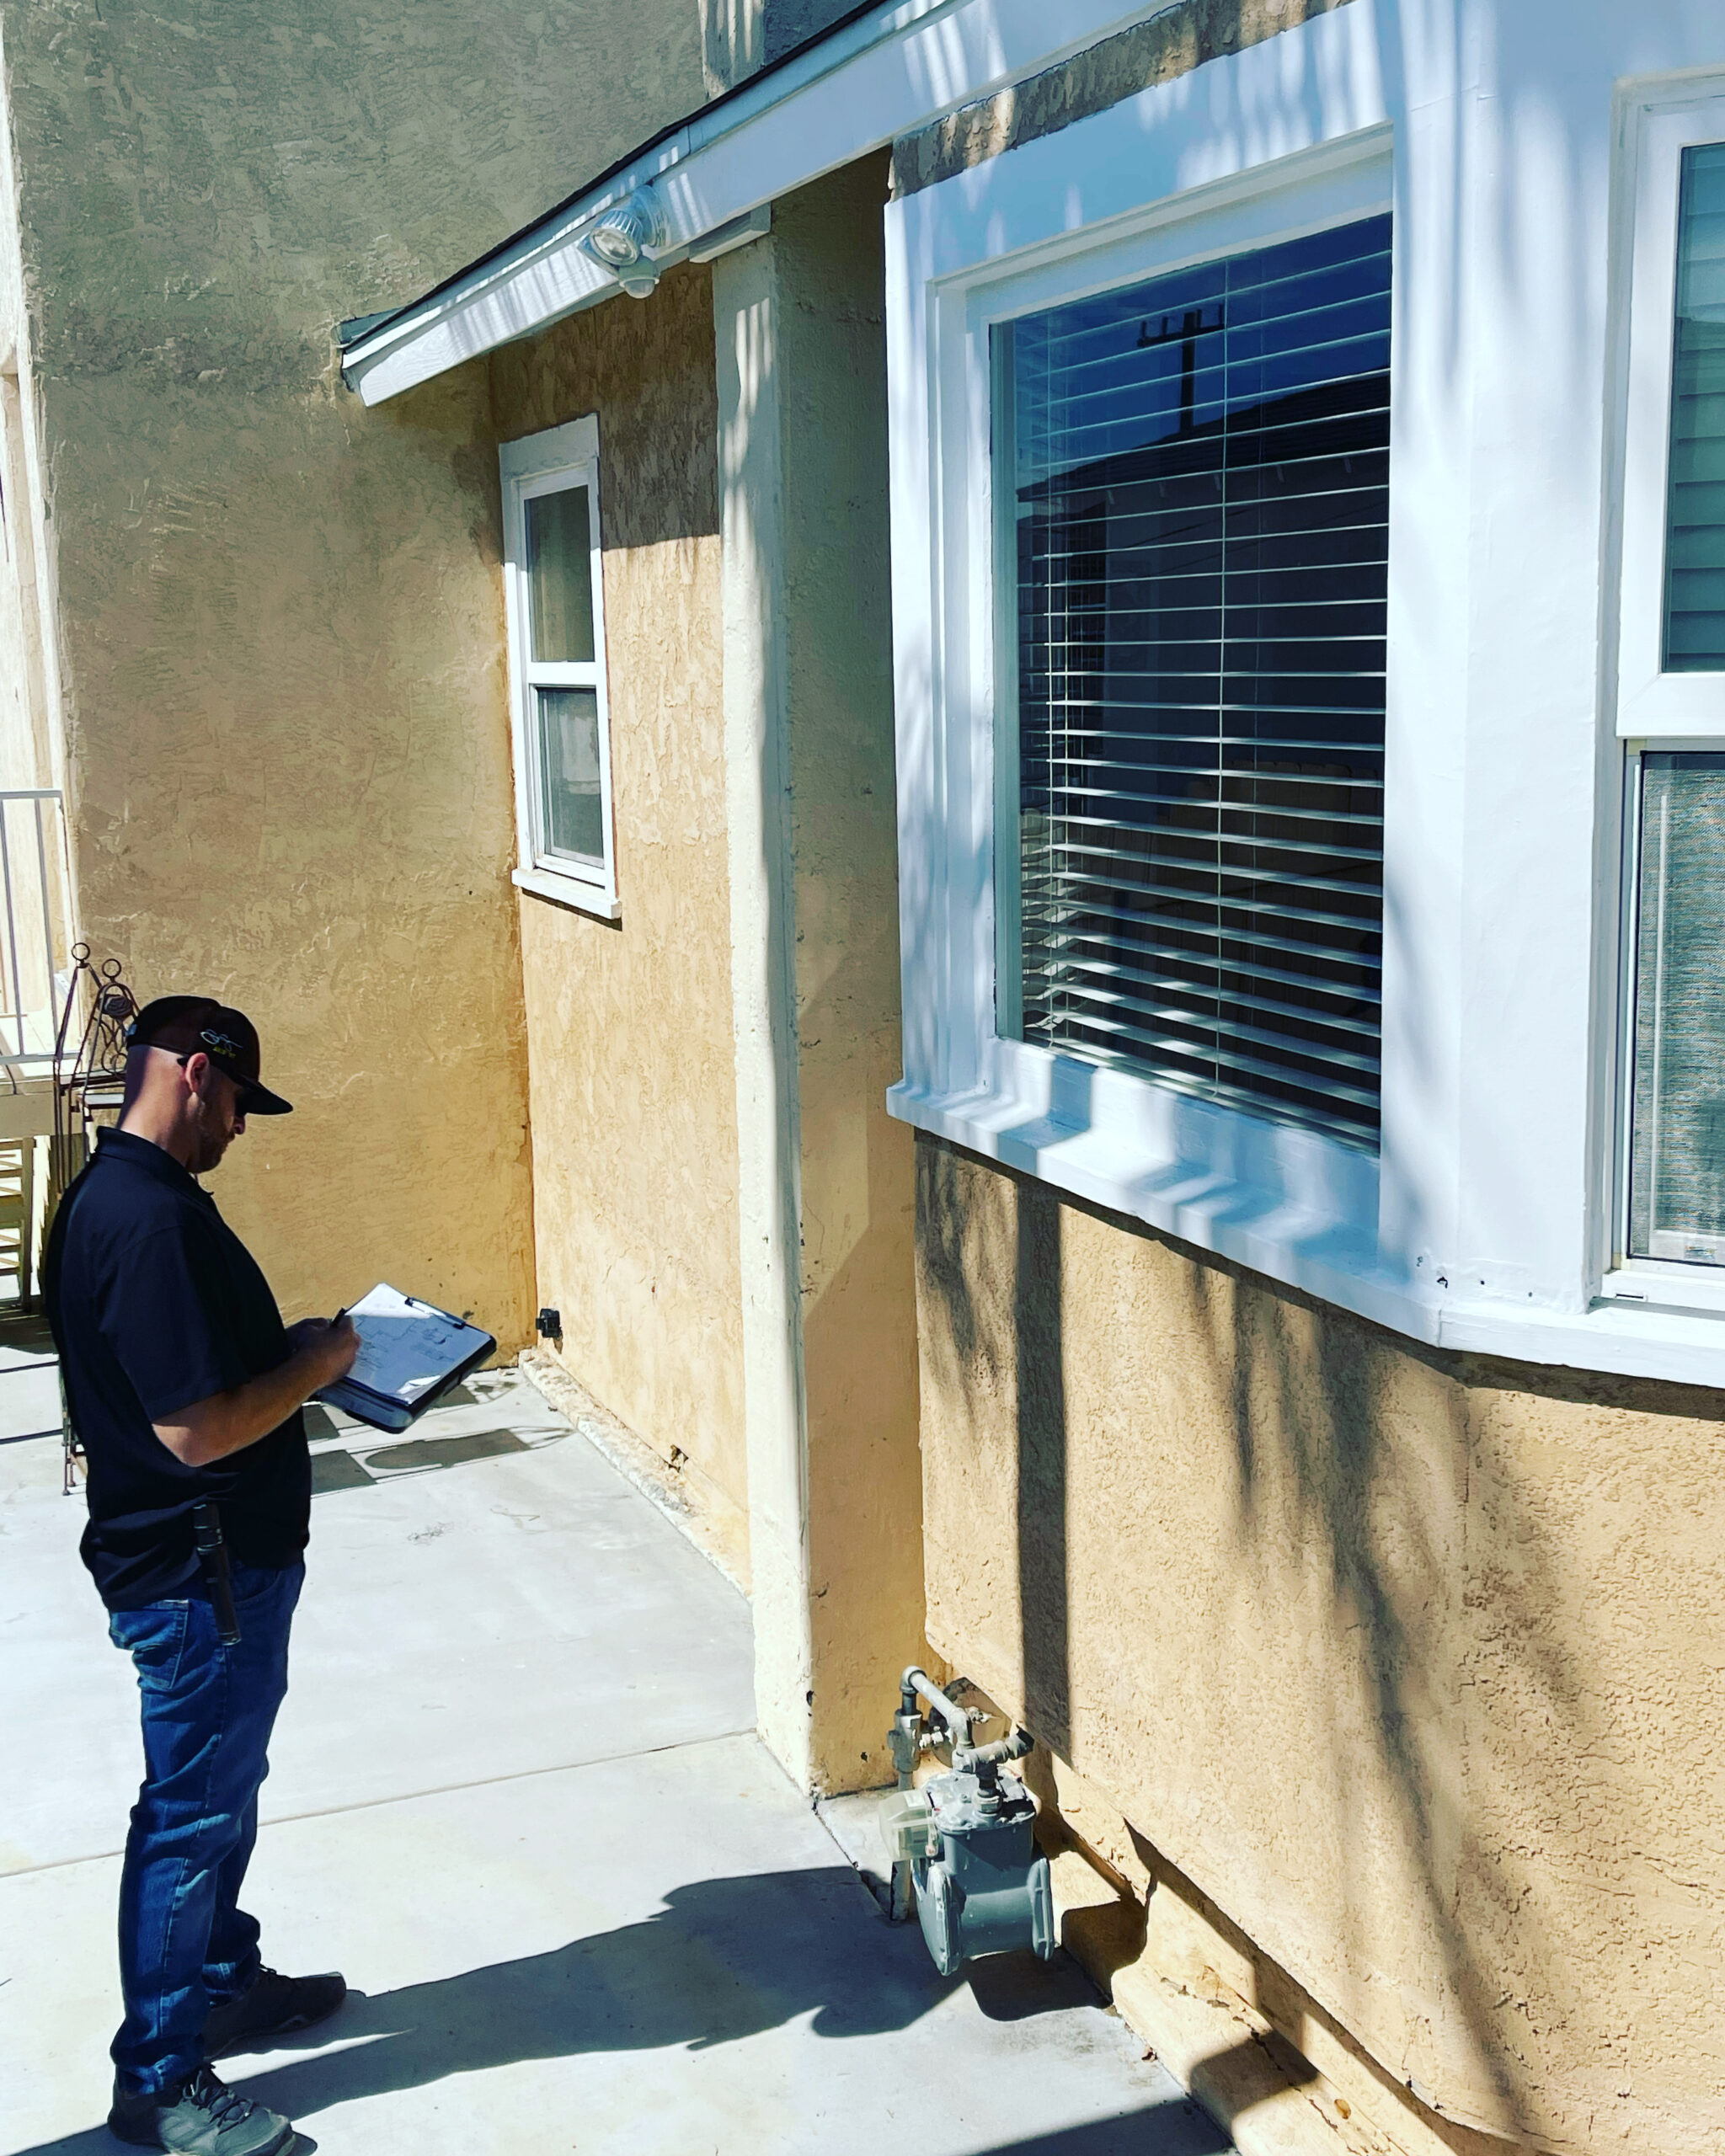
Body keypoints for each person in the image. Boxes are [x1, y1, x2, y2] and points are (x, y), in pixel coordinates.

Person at [43, 995, 360, 2156]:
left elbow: (173, 1377)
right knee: (188, 1818)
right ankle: (161, 2086)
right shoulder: (149, 1221)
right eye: (234, 1101)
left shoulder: (117, 1198)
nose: (239, 1126)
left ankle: (223, 1979)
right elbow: (191, 1431)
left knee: (221, 1790)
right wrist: (319, 1367)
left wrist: (285, 1353)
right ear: (188, 1073)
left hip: (206, 1570)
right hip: (198, 1578)